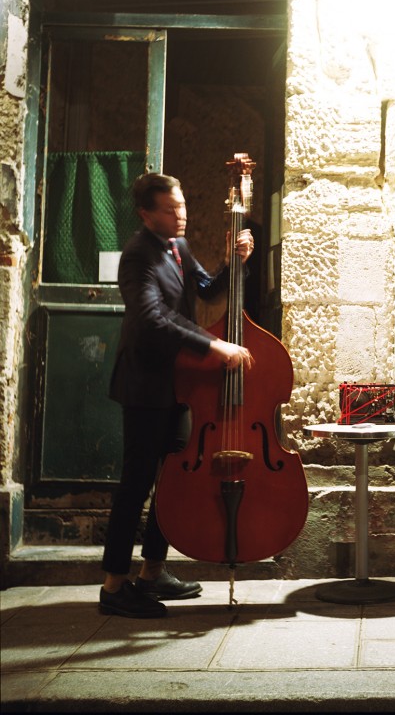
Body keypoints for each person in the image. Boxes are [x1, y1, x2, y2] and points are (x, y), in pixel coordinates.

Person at [100, 172, 255, 618]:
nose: (181, 214)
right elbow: (152, 318)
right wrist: (214, 344)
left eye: (183, 205)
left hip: (179, 384)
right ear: (147, 214)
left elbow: (206, 290)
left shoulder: (178, 247)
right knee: (136, 484)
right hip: (147, 384)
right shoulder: (137, 256)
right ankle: (113, 586)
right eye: (170, 209)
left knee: (174, 479)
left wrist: (232, 263)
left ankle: (152, 573)